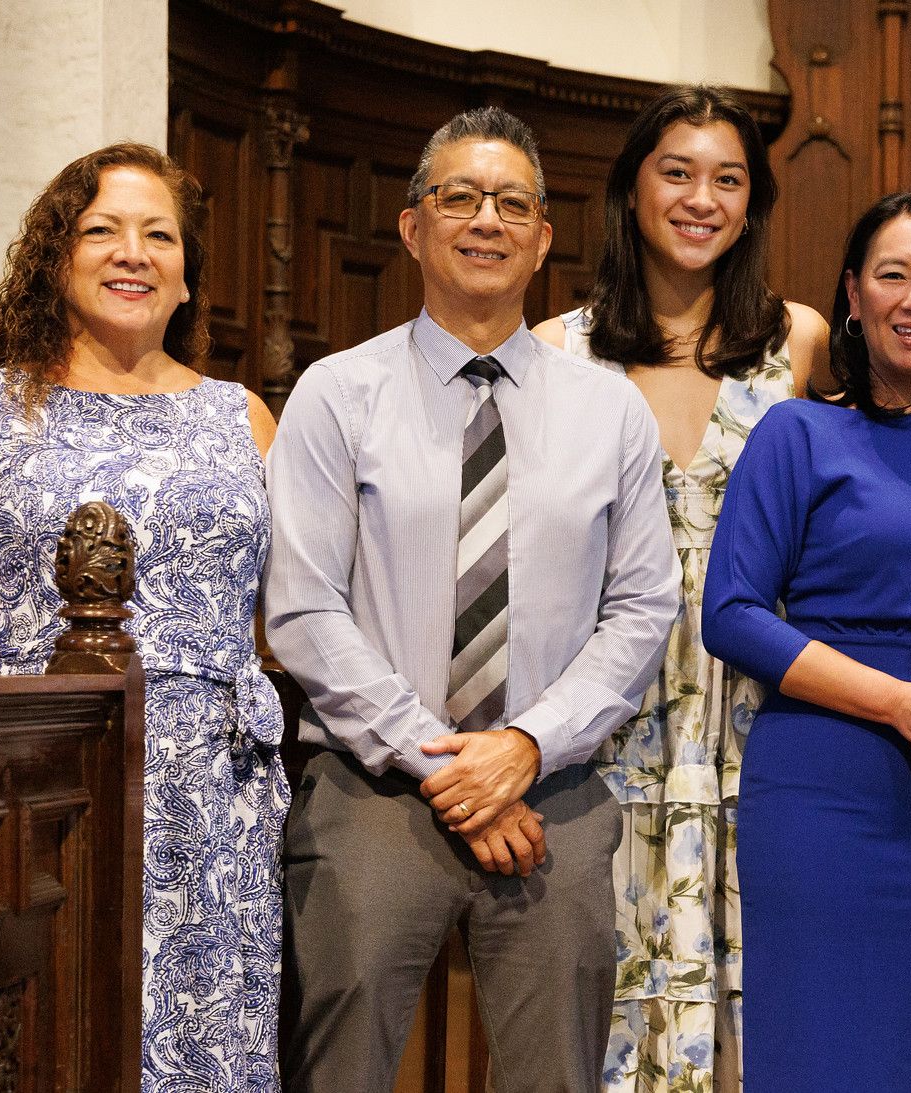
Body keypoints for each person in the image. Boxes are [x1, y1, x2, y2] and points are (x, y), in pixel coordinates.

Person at [266, 106, 679, 1093]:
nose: (485, 219)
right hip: (374, 783)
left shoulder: (608, 409)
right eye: (459, 197)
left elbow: (641, 609)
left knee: (556, 1075)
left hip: (554, 787)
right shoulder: (337, 393)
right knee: (341, 1065)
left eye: (512, 203)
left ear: (542, 239)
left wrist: (525, 748)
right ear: (413, 226)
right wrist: (443, 763)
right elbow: (303, 607)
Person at [0, 142, 288, 1088]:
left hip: (217, 798)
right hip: (44, 782)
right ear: (56, 259)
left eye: (159, 235)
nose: (134, 252)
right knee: (61, 1038)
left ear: (189, 278)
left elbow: (284, 619)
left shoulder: (245, 417)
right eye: (103, 230)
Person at [702, 190, 911, 1091]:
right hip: (824, 798)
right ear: (853, 295)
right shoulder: (801, 431)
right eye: (893, 275)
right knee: (816, 1056)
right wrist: (900, 703)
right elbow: (732, 613)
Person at [532, 84, 827, 1093]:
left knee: (766, 999)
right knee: (598, 993)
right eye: (677, 171)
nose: (702, 197)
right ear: (628, 190)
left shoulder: (800, 343)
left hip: (754, 724)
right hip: (602, 729)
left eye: (728, 179)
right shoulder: (552, 351)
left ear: (751, 206)